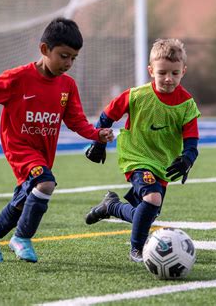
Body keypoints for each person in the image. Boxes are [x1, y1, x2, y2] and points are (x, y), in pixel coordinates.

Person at [0, 17, 114, 263]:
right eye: (64, 56)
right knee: (46, 183)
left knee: (23, 201)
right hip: (19, 148)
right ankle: (21, 238)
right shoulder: (18, 78)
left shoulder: (68, 86)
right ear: (44, 50)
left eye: (74, 58)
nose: (69, 63)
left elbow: (76, 121)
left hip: (43, 153)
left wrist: (97, 134)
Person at [84, 38, 200, 262]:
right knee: (153, 199)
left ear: (183, 71)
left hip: (162, 163)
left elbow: (192, 140)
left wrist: (188, 158)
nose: (168, 78)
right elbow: (107, 115)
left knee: (148, 212)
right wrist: (98, 141)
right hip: (136, 156)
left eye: (174, 73)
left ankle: (111, 206)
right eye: (162, 72)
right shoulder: (136, 96)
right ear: (151, 71)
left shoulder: (187, 104)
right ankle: (137, 250)